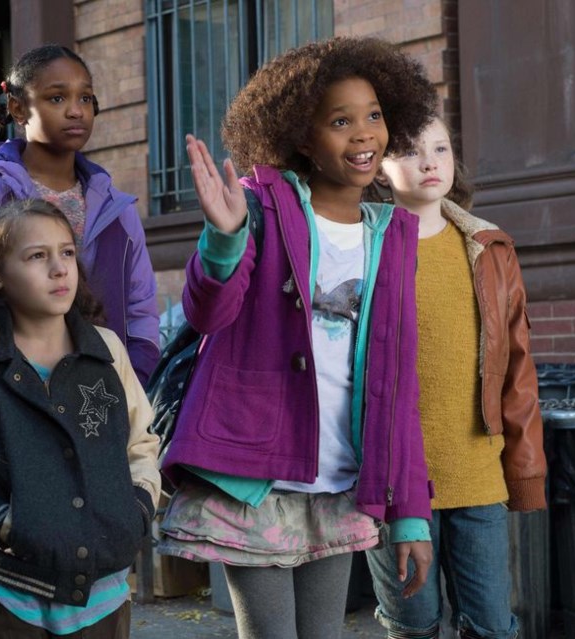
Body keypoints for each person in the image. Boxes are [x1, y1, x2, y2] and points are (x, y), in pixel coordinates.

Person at [157, 37, 440, 639]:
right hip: (256, 478)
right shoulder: (261, 206)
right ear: (303, 137)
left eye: (373, 116)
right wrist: (225, 238)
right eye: (340, 121)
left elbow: (398, 385)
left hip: (340, 480)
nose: (363, 135)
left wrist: (411, 515)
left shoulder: (392, 234)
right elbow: (207, 313)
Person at [0, 198, 161, 638]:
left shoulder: (107, 349)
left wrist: (135, 509)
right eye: (38, 256)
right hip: (9, 599)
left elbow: (142, 443)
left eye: (67, 253)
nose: (59, 269)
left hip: (104, 599)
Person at [364, 116, 547, 639]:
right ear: (378, 167)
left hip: (477, 474)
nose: (429, 162)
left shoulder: (488, 248)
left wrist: (525, 468)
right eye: (410, 151)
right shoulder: (364, 246)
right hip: (395, 480)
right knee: (413, 624)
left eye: (440, 149)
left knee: (491, 624)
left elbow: (517, 367)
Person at [0, 44, 160, 385]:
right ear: (17, 108)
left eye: (85, 98)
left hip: (100, 398)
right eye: (57, 98)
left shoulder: (119, 210)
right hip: (8, 394)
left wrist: (135, 381)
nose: (76, 111)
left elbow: (140, 310)